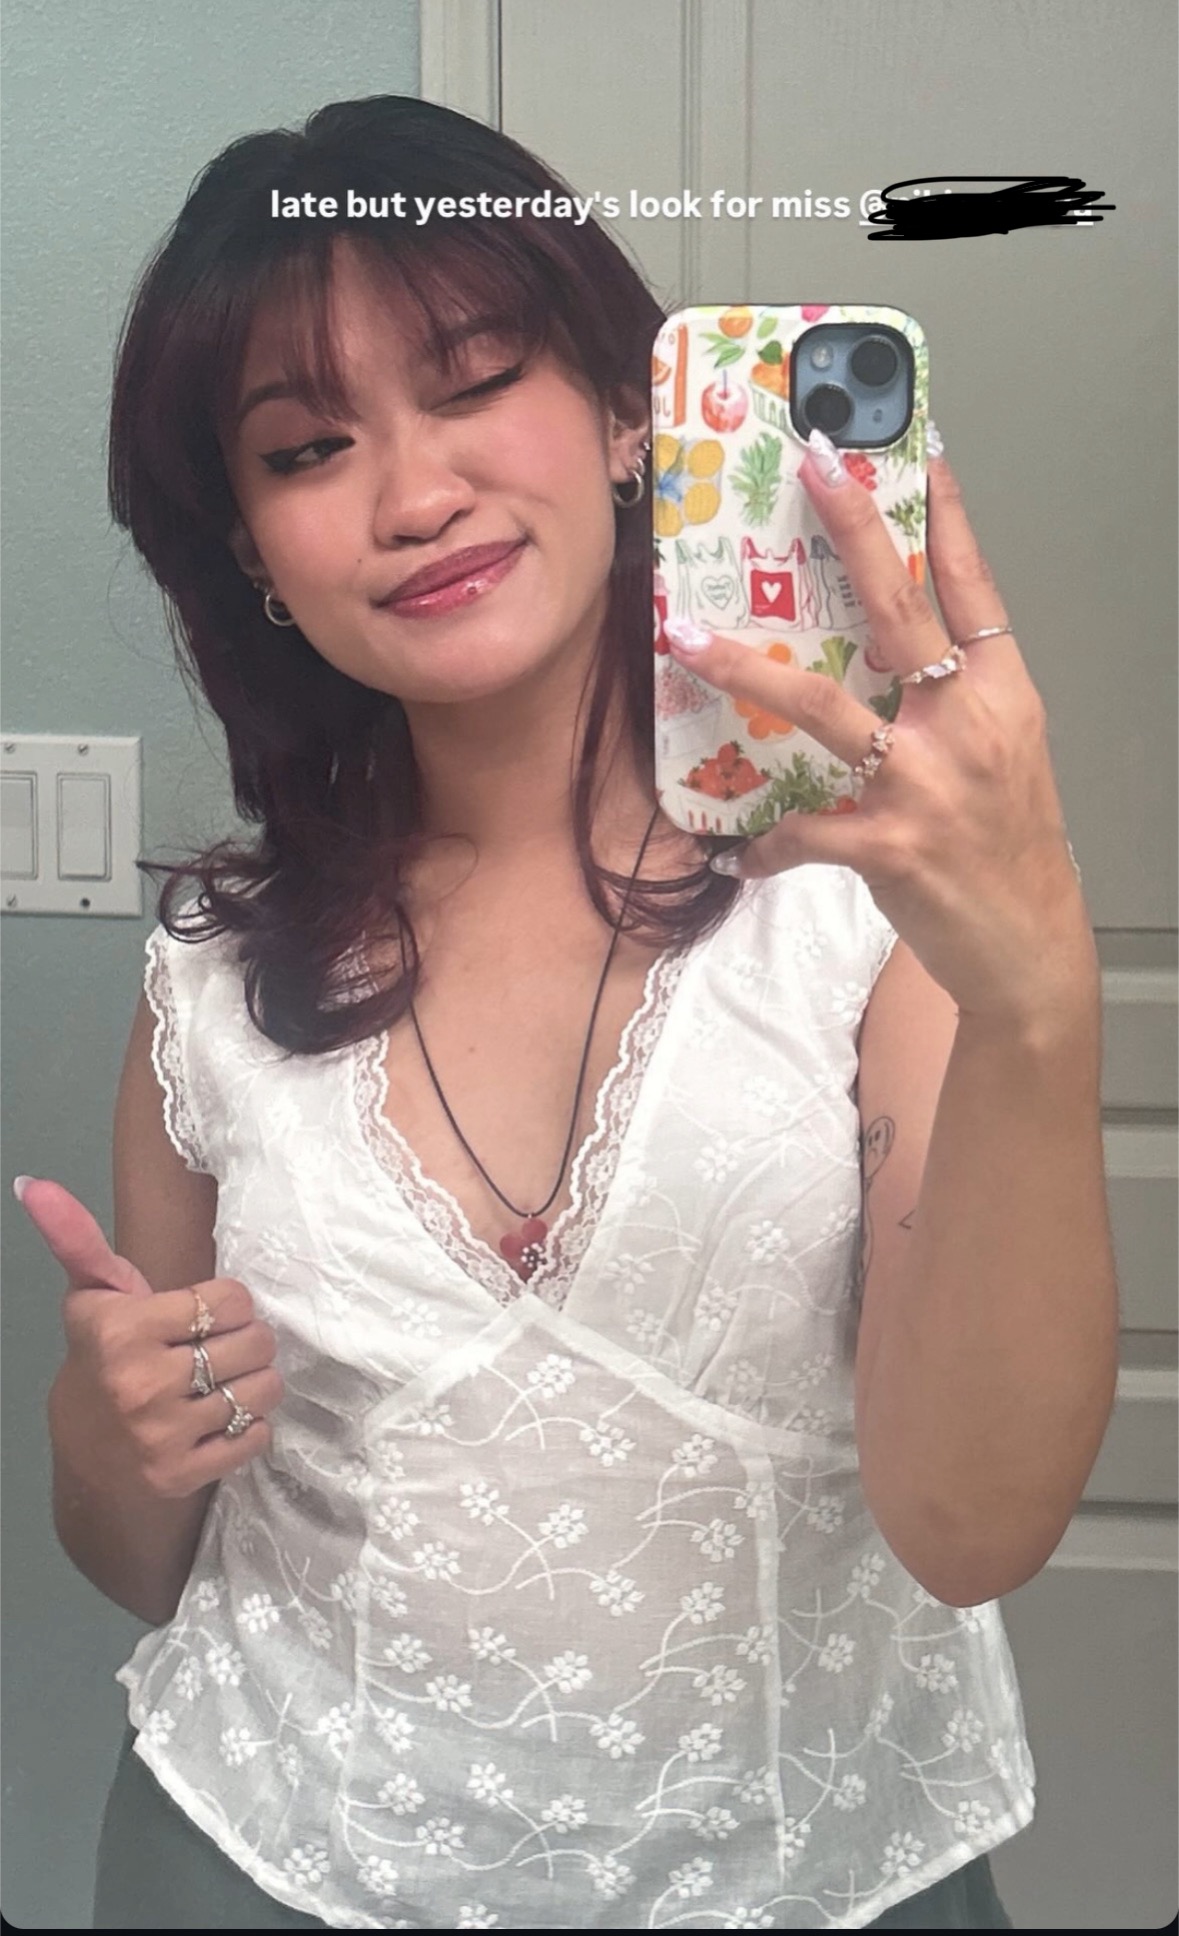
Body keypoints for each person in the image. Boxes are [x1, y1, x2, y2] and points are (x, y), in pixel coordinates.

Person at [21, 95, 1117, 1930]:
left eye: (473, 380)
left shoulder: (864, 904)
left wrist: (1037, 997)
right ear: (254, 553)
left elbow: (971, 1526)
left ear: (629, 409)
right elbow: (148, 1563)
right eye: (307, 448)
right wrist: (101, 1437)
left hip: (815, 1873)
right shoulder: (214, 972)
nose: (412, 495)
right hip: (266, 1855)